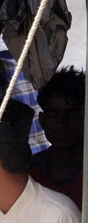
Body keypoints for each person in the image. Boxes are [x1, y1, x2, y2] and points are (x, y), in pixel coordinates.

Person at [30, 66, 84, 209]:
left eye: (71, 114)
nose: (61, 124)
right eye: (53, 114)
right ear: (42, 120)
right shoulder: (28, 172)